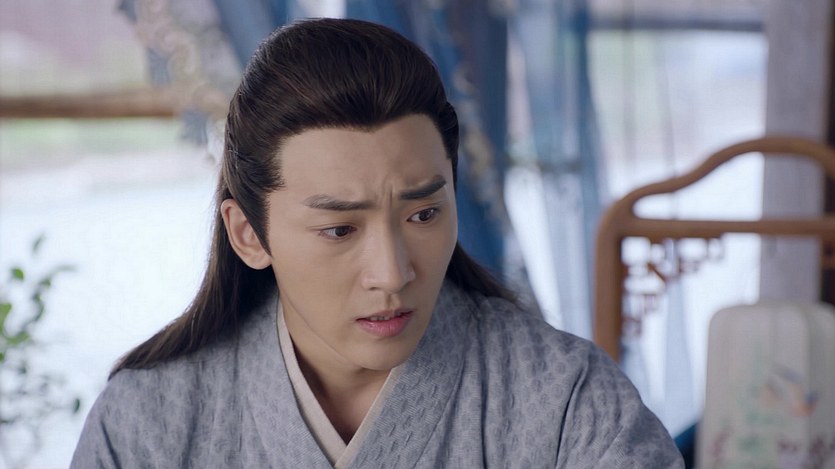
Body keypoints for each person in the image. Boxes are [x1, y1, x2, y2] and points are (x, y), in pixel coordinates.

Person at [71, 18, 683, 468]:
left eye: (424, 214)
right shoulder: (146, 423)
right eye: (340, 229)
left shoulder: (570, 401)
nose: (392, 273)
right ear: (248, 235)